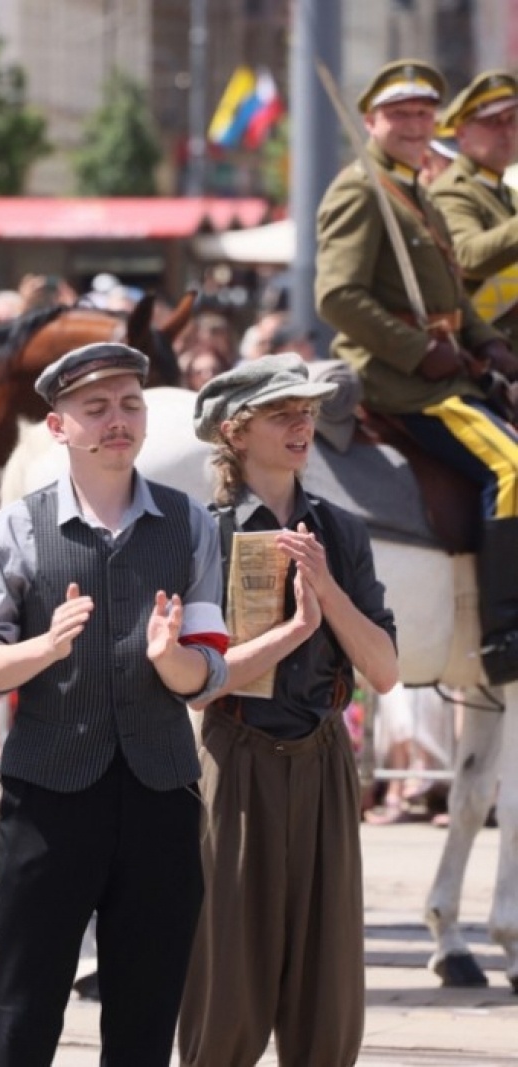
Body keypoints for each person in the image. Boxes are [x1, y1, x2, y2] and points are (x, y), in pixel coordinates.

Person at [0, 342, 230, 1067]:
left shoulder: (192, 523)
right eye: (96, 408)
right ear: (58, 426)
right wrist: (41, 649)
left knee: (145, 1014)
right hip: (49, 799)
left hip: (161, 795)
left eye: (130, 404)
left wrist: (175, 661)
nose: (118, 421)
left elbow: (211, 668)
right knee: (22, 1010)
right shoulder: (14, 527)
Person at [177, 355, 399, 1067]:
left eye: (307, 410)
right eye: (283, 413)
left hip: (324, 758)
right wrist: (295, 631)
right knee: (225, 990)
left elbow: (386, 671)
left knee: (327, 995)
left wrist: (325, 588)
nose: (303, 423)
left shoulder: (342, 530)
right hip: (234, 759)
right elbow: (199, 685)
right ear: (237, 434)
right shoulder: (202, 535)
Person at [317, 59, 518, 684]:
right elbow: (337, 295)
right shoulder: (359, 187)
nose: (413, 124)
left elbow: (454, 304)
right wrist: (414, 350)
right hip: (399, 381)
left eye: (422, 113)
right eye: (399, 114)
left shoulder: (417, 190)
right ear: (371, 121)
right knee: (513, 467)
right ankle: (506, 631)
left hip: (444, 372)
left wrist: (495, 348)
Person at [430, 71, 518, 344]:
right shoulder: (452, 190)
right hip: (487, 350)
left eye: (512, 120)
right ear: (462, 134)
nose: (506, 132)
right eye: (492, 123)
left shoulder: (506, 193)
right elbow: (468, 257)